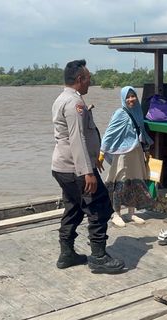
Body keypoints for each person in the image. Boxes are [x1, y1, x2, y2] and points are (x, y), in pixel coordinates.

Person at [51, 59, 125, 273]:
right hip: (75, 169)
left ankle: (67, 254)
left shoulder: (63, 99)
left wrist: (93, 161)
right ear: (79, 79)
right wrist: (87, 173)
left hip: (63, 167)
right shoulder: (75, 104)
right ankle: (99, 257)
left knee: (74, 207)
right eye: (89, 78)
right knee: (100, 207)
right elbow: (77, 139)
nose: (90, 82)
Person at [99, 86, 155, 227]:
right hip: (122, 153)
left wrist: (147, 149)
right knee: (121, 182)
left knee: (136, 180)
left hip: (136, 152)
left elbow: (141, 132)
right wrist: (101, 153)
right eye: (128, 97)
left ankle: (131, 212)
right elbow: (109, 133)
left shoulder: (137, 112)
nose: (131, 99)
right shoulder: (120, 113)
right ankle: (116, 214)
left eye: (133, 96)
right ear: (123, 99)